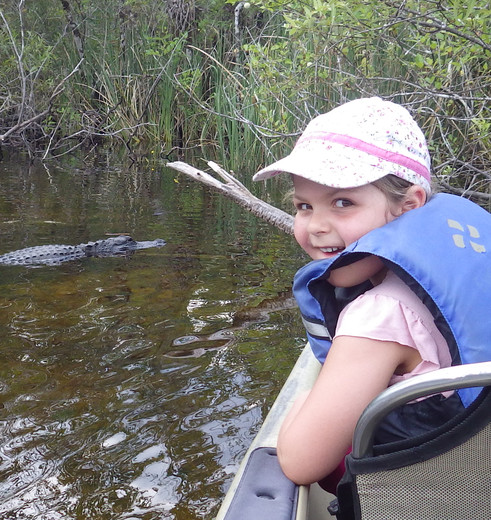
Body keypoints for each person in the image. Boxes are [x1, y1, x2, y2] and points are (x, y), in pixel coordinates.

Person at [252, 97, 491, 490]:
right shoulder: (467, 266)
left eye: (343, 202)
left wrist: (300, 402)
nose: (315, 226)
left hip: (426, 498)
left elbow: (300, 463)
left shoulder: (379, 313)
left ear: (408, 205)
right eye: (304, 205)